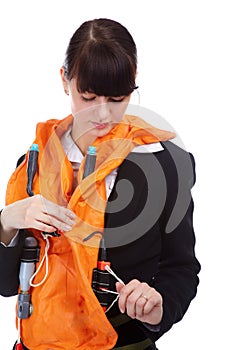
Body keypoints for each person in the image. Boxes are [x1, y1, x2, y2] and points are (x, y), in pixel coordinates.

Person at [0, 18, 200, 350]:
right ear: (66, 80)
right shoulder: (32, 167)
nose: (103, 115)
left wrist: (158, 306)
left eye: (118, 98)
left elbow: (182, 267)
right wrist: (7, 221)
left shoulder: (165, 165)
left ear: (133, 85)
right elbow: (7, 285)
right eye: (88, 97)